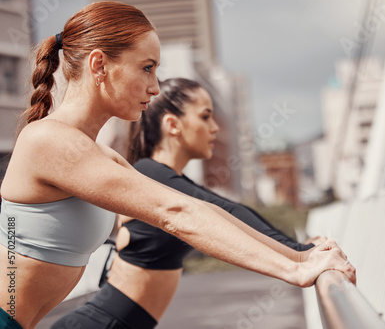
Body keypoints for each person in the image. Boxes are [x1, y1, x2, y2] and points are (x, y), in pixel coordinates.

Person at [0, 1, 354, 329]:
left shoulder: (99, 155)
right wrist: (294, 269)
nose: (155, 87)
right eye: (147, 68)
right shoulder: (47, 140)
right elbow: (175, 212)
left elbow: (205, 208)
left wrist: (300, 255)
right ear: (99, 65)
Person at [50, 78, 342, 328]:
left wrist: (300, 250)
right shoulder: (152, 174)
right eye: (205, 116)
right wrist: (300, 254)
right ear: (172, 125)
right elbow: (227, 212)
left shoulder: (168, 178)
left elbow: (224, 213)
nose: (214, 128)